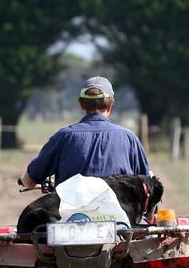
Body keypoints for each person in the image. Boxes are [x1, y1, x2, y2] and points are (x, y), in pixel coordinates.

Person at [20, 76, 149, 188]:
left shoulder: (63, 136)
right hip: (120, 214)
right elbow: (146, 184)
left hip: (72, 213)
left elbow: (30, 179)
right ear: (110, 104)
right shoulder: (129, 138)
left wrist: (25, 181)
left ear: (81, 104)